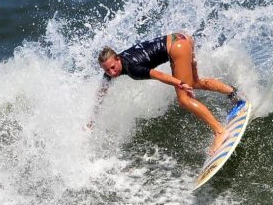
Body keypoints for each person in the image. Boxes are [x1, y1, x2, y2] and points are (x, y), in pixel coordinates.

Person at [90, 32, 242, 154]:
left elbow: (159, 75)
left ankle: (220, 131)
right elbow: (101, 92)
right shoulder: (114, 68)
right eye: (106, 70)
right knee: (194, 82)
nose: (111, 72)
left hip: (178, 47)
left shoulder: (132, 69)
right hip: (180, 37)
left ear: (117, 59)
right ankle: (233, 94)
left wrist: (179, 84)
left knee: (184, 100)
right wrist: (92, 119)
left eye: (112, 67)